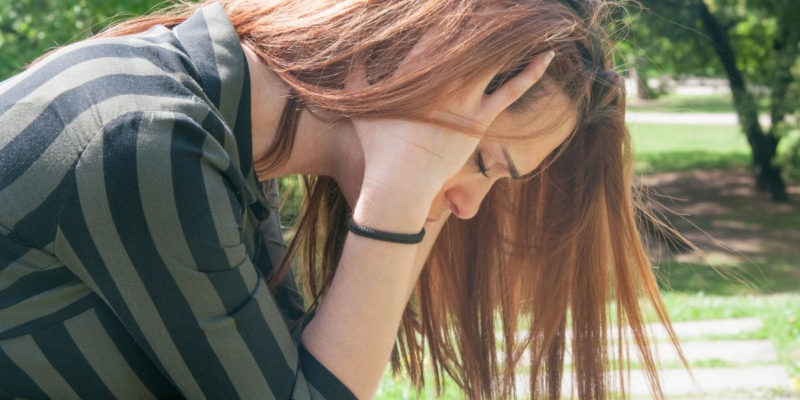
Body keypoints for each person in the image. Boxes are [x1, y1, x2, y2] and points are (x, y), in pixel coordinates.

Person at [0, 0, 684, 398]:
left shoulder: (226, 143)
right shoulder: (145, 138)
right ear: (426, 67)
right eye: (482, 161)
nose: (472, 204)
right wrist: (399, 193)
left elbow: (300, 375)